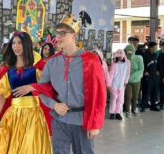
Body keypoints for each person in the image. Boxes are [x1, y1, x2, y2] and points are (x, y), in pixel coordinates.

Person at [14, 14, 107, 154]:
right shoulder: (52, 62)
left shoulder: (91, 61)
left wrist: (95, 124)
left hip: (82, 121)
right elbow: (42, 89)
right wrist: (54, 105)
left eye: (63, 33)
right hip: (59, 121)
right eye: (57, 33)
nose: (58, 37)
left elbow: (100, 94)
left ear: (74, 35)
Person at [0, 31, 52, 154]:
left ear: (26, 45)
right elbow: (2, 96)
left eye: (19, 43)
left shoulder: (36, 66)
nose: (16, 46)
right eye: (13, 43)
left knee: (29, 149)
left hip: (33, 115)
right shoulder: (8, 68)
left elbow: (48, 87)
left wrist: (31, 87)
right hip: (13, 115)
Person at [108, 49, 130, 120]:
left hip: (122, 85)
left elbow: (127, 73)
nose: (120, 57)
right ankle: (112, 113)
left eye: (121, 56)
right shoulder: (114, 64)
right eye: (118, 56)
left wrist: (126, 82)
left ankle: (118, 112)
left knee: (120, 99)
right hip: (114, 84)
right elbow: (111, 74)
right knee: (113, 99)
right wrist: (109, 84)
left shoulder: (127, 63)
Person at [124, 44, 144, 118]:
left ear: (134, 50)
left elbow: (141, 69)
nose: (129, 52)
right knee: (128, 96)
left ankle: (134, 109)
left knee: (135, 96)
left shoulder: (139, 58)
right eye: (128, 50)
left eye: (131, 50)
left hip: (136, 80)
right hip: (127, 81)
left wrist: (131, 76)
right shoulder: (124, 59)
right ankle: (127, 111)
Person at [141, 41, 160, 112]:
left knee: (154, 91)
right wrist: (144, 72)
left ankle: (153, 106)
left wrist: (158, 70)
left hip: (155, 76)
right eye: (155, 47)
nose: (156, 48)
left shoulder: (155, 55)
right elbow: (142, 64)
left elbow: (157, 64)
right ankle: (143, 106)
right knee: (146, 91)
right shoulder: (145, 55)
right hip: (147, 76)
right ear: (150, 48)